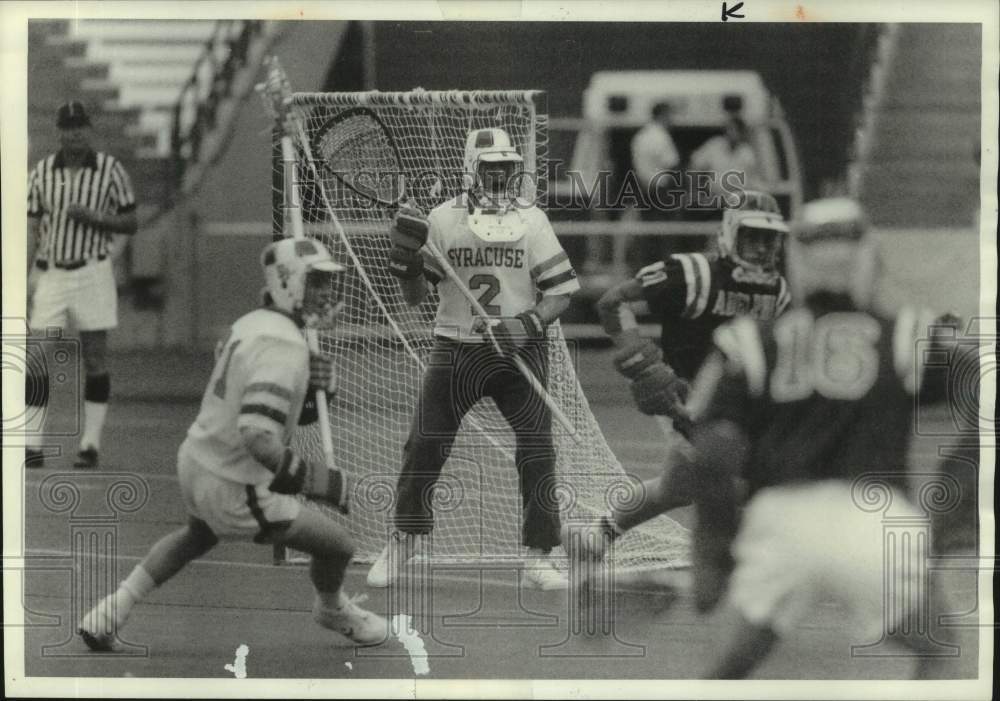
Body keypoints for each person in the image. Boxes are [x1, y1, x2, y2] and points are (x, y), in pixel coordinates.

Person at [684, 197, 961, 678]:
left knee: (728, 667)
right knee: (939, 650)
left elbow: (710, 454)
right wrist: (958, 495)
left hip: (780, 519)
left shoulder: (751, 339)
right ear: (868, 256)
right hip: (875, 519)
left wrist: (713, 550)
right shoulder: (907, 333)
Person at [78, 238, 388, 650]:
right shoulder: (282, 345)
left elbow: (266, 415)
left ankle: (110, 611)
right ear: (288, 282)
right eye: (315, 281)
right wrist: (320, 483)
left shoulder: (251, 323)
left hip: (197, 459)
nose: (327, 293)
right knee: (338, 546)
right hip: (235, 480)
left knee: (196, 536)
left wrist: (315, 396)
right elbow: (258, 436)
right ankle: (331, 609)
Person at [367, 127, 580, 591]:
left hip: (519, 349)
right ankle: (405, 536)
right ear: (471, 169)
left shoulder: (533, 219)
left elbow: (561, 292)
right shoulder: (442, 219)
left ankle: (539, 554)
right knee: (425, 443)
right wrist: (404, 261)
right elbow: (414, 298)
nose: (500, 176)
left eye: (507, 167)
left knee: (538, 449)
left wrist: (525, 325)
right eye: (491, 168)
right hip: (457, 347)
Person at [572, 191, 789, 557]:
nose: (758, 248)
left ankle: (601, 533)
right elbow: (614, 301)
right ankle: (749, 554)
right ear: (731, 234)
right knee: (749, 476)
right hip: (687, 398)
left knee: (676, 488)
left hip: (741, 398)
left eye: (767, 239)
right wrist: (640, 360)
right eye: (751, 236)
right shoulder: (694, 274)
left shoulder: (777, 292)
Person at [25, 101, 139, 469]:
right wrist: (25, 276)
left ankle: (89, 444)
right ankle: (31, 442)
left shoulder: (109, 169)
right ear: (59, 131)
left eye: (80, 126)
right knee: (37, 355)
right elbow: (33, 227)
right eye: (68, 126)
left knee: (94, 357)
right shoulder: (42, 172)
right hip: (53, 271)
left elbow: (131, 221)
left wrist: (95, 218)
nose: (74, 132)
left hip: (91, 269)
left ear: (89, 129)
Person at [689, 115, 763, 212]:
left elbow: (754, 181)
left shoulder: (747, 153)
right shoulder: (714, 146)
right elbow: (694, 167)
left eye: (735, 130)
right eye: (729, 129)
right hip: (713, 204)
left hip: (738, 205)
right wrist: (695, 193)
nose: (731, 133)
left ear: (742, 133)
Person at [631, 101, 681, 217]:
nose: (671, 120)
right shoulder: (661, 136)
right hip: (660, 191)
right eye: (669, 116)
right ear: (662, 115)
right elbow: (672, 164)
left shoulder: (640, 136)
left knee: (648, 226)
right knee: (663, 227)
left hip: (643, 189)